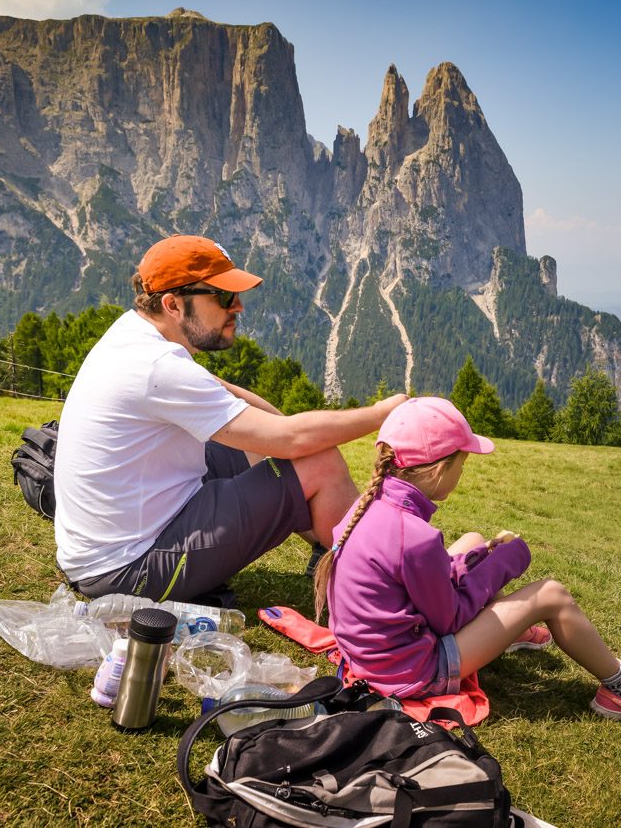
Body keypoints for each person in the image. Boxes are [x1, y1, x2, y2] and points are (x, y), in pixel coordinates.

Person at [54, 234, 407, 605]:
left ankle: (332, 546)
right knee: (319, 462)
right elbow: (290, 439)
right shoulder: (157, 367)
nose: (237, 307)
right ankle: (377, 578)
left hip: (107, 548)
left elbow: (236, 400)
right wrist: (383, 413)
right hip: (127, 571)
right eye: (223, 296)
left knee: (286, 449)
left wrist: (285, 435)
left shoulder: (134, 335)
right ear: (174, 304)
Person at [314, 397, 621, 725]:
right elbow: (450, 619)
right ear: (441, 468)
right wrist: (505, 563)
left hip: (368, 659)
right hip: (411, 673)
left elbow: (415, 581)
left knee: (472, 542)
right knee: (551, 595)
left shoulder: (367, 508)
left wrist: (479, 556)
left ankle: (508, 629)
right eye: (462, 463)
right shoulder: (414, 537)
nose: (462, 471)